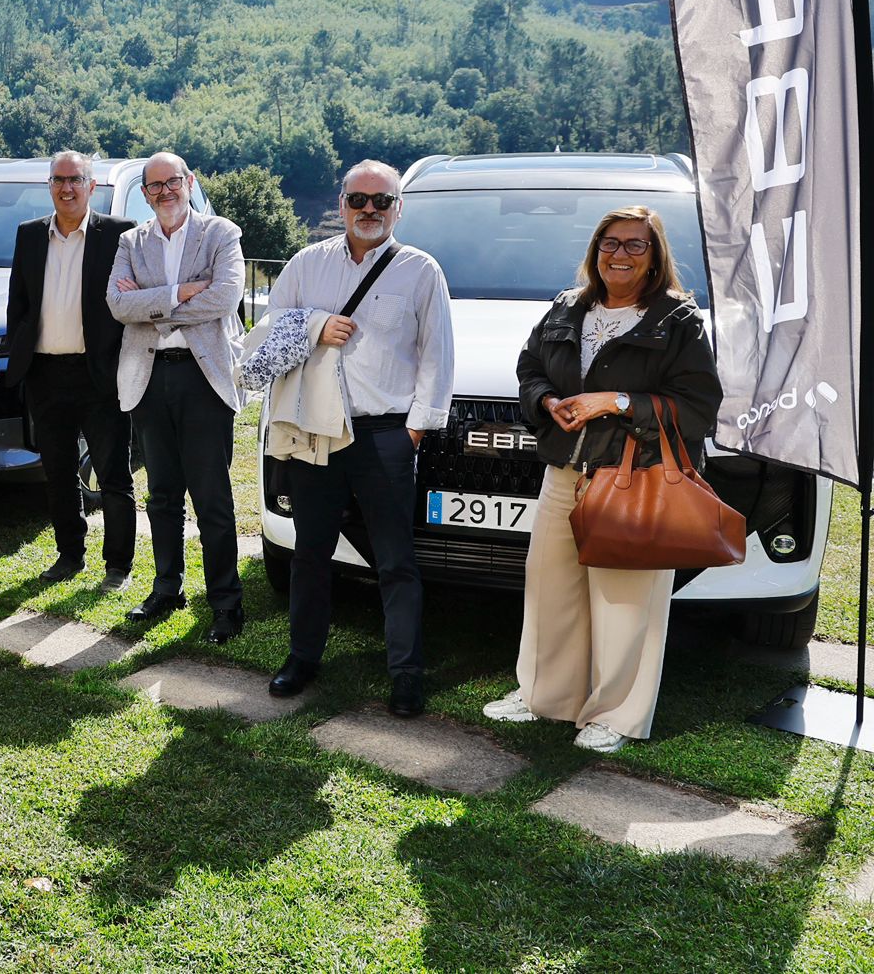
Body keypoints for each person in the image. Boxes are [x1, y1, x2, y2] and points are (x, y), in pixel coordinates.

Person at [487, 207, 721, 752]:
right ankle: (546, 695)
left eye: (635, 246)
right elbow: (530, 368)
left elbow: (698, 409)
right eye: (610, 243)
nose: (620, 254)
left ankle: (615, 716)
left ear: (655, 256)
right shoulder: (568, 307)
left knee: (625, 603)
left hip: (632, 479)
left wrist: (615, 403)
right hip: (565, 471)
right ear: (595, 250)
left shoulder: (677, 321)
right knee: (550, 590)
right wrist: (547, 401)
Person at [266, 159, 453, 717]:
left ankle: (406, 674)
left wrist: (415, 430)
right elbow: (270, 334)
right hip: (316, 432)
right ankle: (303, 659)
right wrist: (317, 326)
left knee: (395, 561)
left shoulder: (421, 271)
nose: (369, 210)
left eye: (381, 201)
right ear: (340, 203)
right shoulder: (306, 264)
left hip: (386, 433)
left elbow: (437, 357)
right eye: (358, 200)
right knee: (310, 554)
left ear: (399, 207)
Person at [106, 153, 246, 632]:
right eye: (154, 187)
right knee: (162, 493)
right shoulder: (130, 240)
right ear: (145, 194)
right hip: (149, 377)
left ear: (189, 183)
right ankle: (167, 587)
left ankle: (226, 601)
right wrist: (181, 293)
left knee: (211, 498)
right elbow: (117, 304)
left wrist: (152, 303)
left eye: (172, 183)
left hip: (202, 378)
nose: (164, 192)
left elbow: (225, 296)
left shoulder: (220, 233)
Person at [7, 151, 137, 587]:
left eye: (75, 180)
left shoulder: (119, 234)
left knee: (113, 475)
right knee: (58, 473)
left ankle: (117, 566)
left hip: (99, 376)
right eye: (59, 180)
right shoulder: (29, 235)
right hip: (45, 375)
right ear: (50, 185)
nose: (66, 188)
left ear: (91, 185)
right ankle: (69, 556)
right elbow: (19, 303)